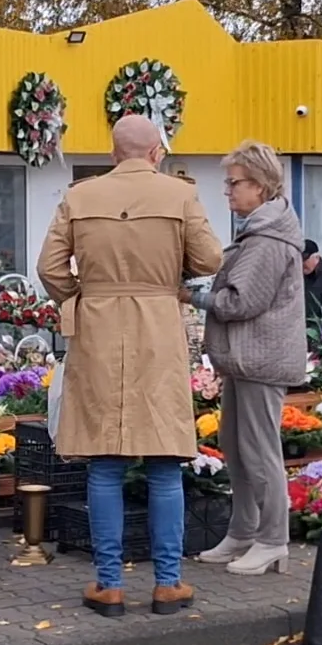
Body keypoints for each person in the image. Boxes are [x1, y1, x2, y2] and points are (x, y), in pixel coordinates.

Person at [38, 114, 223, 618]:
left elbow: (49, 267)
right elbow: (210, 260)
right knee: (164, 461)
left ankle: (109, 584)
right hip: (158, 328)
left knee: (104, 462)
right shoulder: (180, 195)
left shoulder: (79, 196)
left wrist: (81, 297)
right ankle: (168, 583)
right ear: (157, 152)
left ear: (114, 152)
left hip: (98, 327)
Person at [190, 141, 306, 576]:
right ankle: (243, 532)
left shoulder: (268, 239)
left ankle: (273, 539)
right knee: (236, 448)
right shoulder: (259, 232)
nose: (228, 192)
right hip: (244, 359)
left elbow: (241, 302)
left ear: (259, 186)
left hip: (262, 359)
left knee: (259, 451)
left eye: (234, 183)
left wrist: (194, 296)